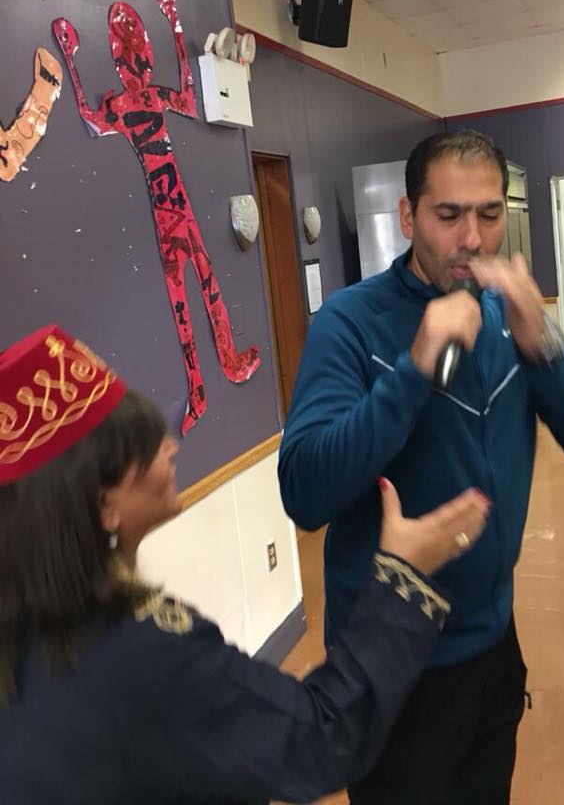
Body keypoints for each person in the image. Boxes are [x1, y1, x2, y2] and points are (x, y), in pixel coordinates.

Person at [0, 323, 492, 804]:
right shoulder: (143, 653)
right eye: (146, 446)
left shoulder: (26, 628)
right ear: (103, 504)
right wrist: (404, 576)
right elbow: (321, 739)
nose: (171, 447)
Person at [279, 130, 564, 805]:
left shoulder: (510, 317)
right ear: (408, 217)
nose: (472, 238)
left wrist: (541, 343)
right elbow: (306, 493)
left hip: (492, 643)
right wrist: (415, 370)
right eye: (448, 215)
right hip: (393, 657)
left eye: (489, 214)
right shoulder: (350, 322)